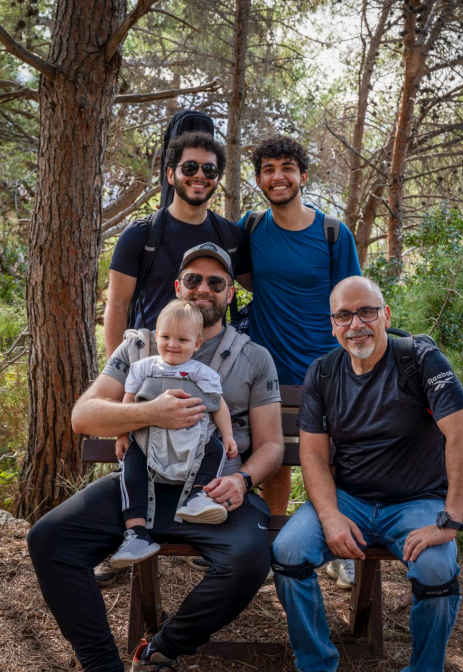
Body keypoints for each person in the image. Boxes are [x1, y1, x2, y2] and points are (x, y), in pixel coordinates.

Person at [28, 244, 283, 672]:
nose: (203, 288)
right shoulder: (139, 347)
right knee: (49, 538)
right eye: (194, 279)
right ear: (177, 286)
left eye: (216, 282)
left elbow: (272, 445)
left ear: (230, 294)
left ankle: (161, 649)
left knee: (249, 560)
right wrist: (149, 413)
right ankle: (102, 665)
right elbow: (83, 416)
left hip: (211, 491)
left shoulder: (253, 357)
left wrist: (242, 480)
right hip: (138, 485)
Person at [272, 276, 463, 672]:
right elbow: (313, 454)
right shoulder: (323, 373)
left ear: (385, 314)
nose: (356, 325)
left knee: (436, 573)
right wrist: (330, 516)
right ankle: (316, 664)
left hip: (417, 501)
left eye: (366, 312)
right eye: (344, 316)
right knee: (288, 554)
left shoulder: (420, 360)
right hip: (349, 499)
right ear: (333, 324)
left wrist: (451, 520)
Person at [237, 134, 361, 587]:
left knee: (334, 461)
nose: (278, 177)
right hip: (267, 371)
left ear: (303, 176)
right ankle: (271, 548)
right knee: (275, 461)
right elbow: (241, 277)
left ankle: (337, 548)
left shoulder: (332, 233)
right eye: (268, 169)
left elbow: (351, 300)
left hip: (327, 371)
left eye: (287, 168)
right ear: (259, 180)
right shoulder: (251, 228)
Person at [110, 298, 238, 568]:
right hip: (149, 441)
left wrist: (227, 435)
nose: (172, 344)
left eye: (182, 339)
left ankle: (198, 497)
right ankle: (136, 533)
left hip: (190, 442)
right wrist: (121, 434)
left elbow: (218, 404)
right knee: (131, 463)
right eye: (166, 337)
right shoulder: (144, 367)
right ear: (156, 336)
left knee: (214, 449)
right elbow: (128, 402)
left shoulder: (201, 373)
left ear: (197, 344)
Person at [104, 131, 251, 357]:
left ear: (218, 179)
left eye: (209, 170)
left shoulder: (232, 237)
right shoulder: (140, 235)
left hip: (212, 366)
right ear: (171, 175)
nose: (200, 175)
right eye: (190, 168)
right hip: (150, 363)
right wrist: (119, 369)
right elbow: (117, 306)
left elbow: (266, 287)